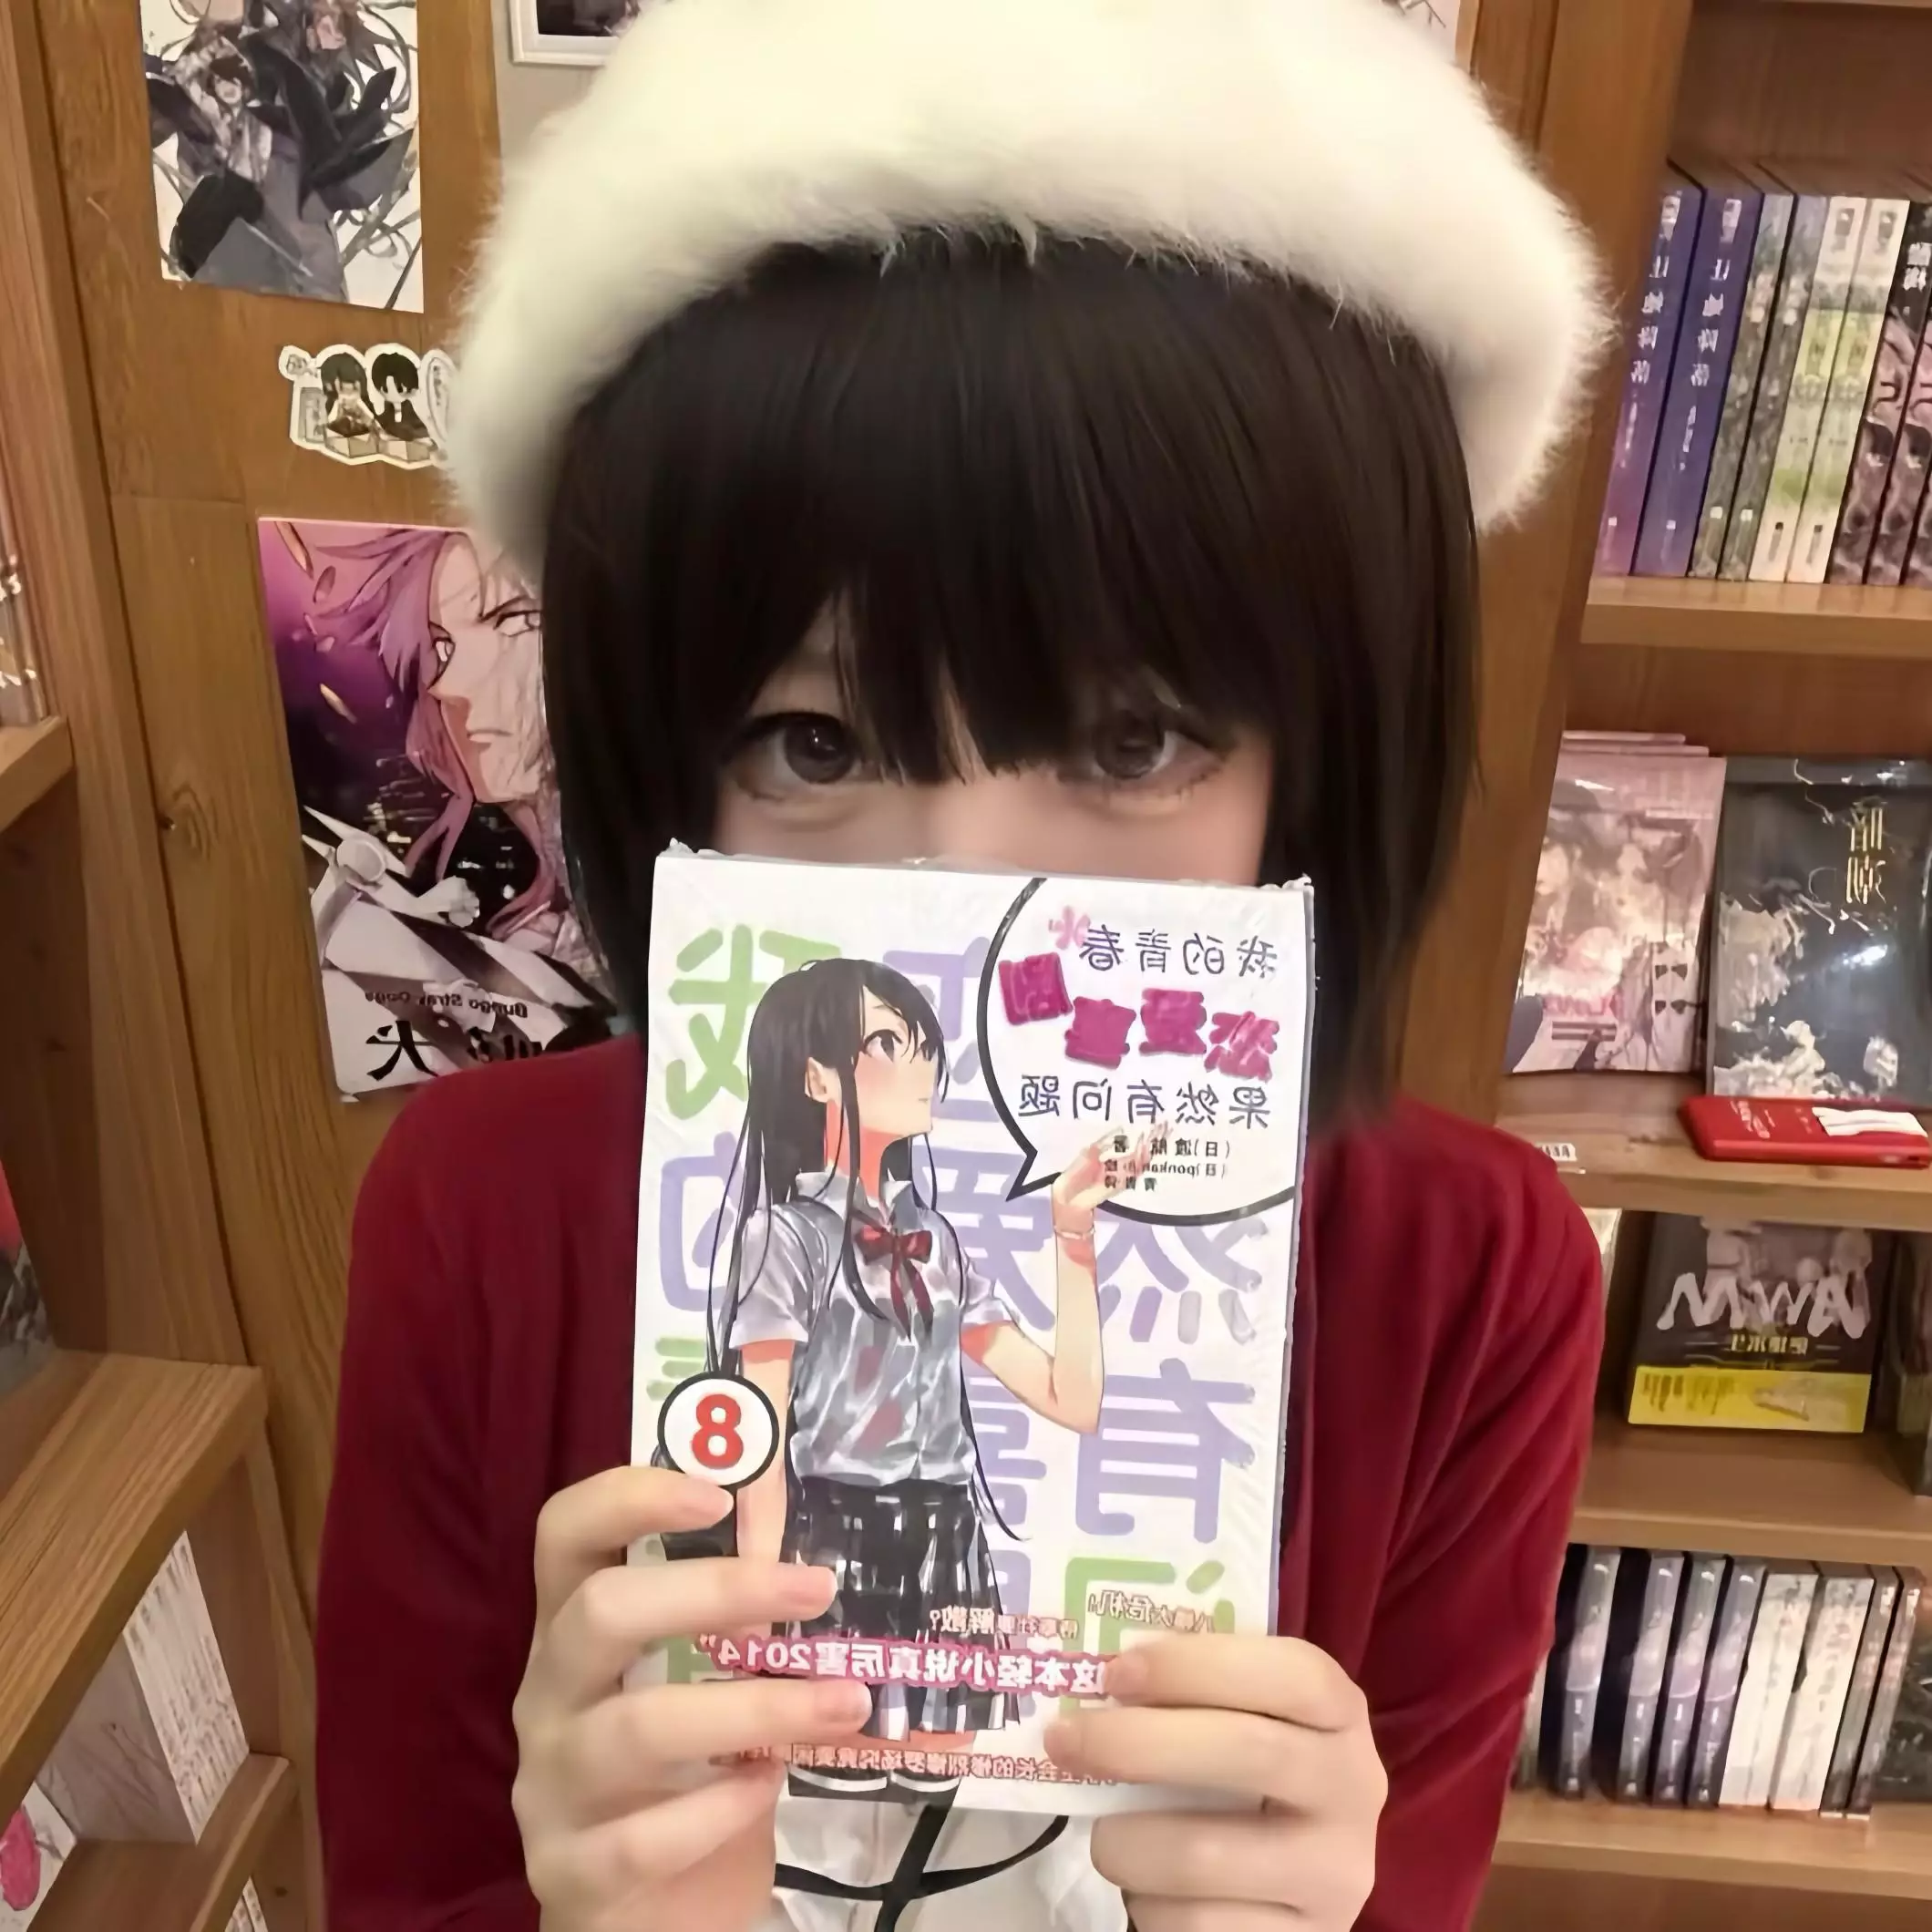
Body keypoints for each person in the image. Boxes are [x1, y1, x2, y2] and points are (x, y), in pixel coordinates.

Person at [316, 3, 1609, 1929]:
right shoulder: (478, 1218)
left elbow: (1058, 1398)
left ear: (1332, 762)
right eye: (813, 742)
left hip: (953, 1555)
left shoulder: (1473, 1277)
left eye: (1133, 739)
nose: (966, 886)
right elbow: (410, 1878)